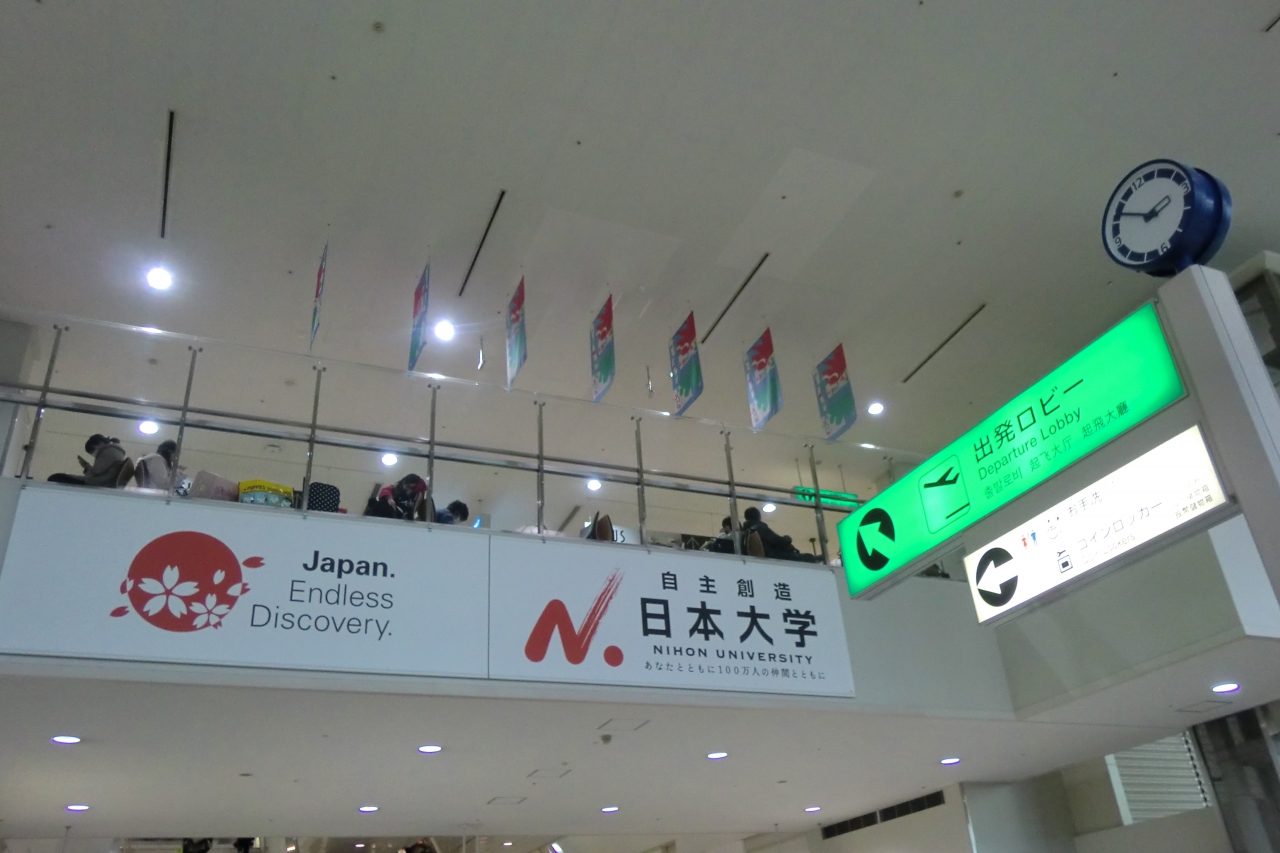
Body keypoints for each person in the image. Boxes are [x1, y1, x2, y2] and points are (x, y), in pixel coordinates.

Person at [47, 434, 126, 487]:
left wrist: (86, 466)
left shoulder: (108, 451)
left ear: (99, 443)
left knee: (56, 477)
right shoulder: (116, 451)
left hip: (99, 483)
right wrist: (86, 467)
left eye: (93, 450)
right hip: (102, 481)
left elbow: (96, 472)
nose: (94, 454)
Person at [743, 506, 817, 562]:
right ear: (758, 516)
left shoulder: (746, 531)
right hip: (774, 556)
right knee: (808, 557)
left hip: (768, 556)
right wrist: (787, 538)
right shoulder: (759, 528)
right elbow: (779, 541)